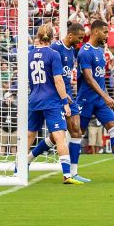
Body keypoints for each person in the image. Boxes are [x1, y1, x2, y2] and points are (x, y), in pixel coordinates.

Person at [77, 19, 114, 180]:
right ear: (95, 31)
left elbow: (100, 78)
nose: (107, 36)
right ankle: (70, 171)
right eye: (105, 32)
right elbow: (89, 79)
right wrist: (106, 95)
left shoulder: (100, 51)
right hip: (85, 100)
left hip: (100, 101)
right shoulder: (85, 51)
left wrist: (103, 96)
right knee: (76, 135)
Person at [32, 22, 90, 181]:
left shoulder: (73, 51)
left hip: (69, 94)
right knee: (59, 135)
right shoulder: (55, 48)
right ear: (70, 35)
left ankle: (73, 172)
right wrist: (63, 96)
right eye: (79, 38)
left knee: (74, 131)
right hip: (57, 96)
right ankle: (30, 160)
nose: (80, 41)